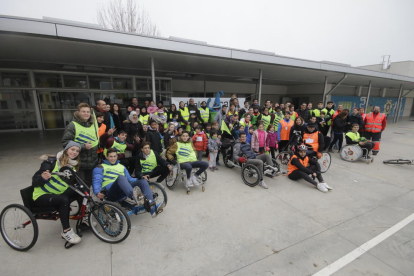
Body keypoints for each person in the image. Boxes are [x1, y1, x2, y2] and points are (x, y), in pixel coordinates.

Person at [32, 141, 82, 244]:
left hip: (57, 193)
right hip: (42, 196)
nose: (75, 152)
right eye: (72, 149)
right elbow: (34, 181)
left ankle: (84, 217)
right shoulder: (51, 162)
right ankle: (66, 231)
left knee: (80, 190)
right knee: (64, 200)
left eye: (77, 151)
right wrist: (43, 178)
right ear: (66, 150)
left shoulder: (73, 164)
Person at [93, 148, 159, 217]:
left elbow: (130, 179)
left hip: (124, 190)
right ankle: (135, 196)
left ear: (117, 156)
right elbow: (96, 181)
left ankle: (151, 205)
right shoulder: (100, 168)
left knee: (143, 181)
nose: (113, 158)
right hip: (110, 192)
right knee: (121, 178)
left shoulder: (122, 167)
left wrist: (141, 178)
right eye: (110, 156)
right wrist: (97, 192)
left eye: (114, 156)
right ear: (106, 157)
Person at [62, 103, 99, 185]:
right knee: (80, 185)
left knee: (88, 184)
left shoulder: (93, 124)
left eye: (88, 112)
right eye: (83, 112)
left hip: (92, 162)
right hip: (79, 163)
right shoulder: (72, 125)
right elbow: (66, 142)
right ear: (78, 112)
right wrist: (83, 146)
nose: (86, 114)